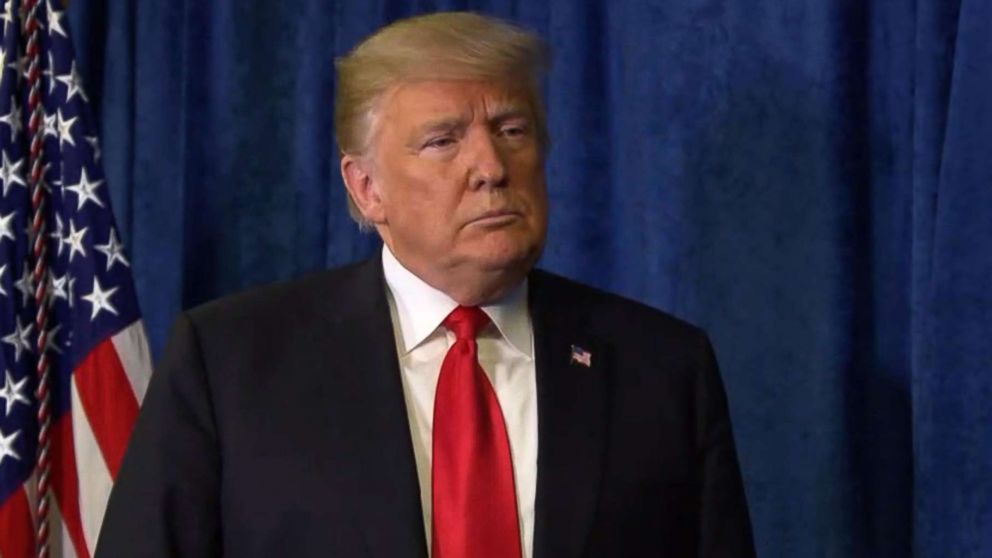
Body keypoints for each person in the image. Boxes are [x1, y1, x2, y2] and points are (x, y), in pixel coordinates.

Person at [96, 11, 755, 558]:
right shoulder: (230, 364)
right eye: (443, 141)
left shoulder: (663, 367)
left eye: (512, 130)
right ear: (367, 187)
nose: (491, 166)